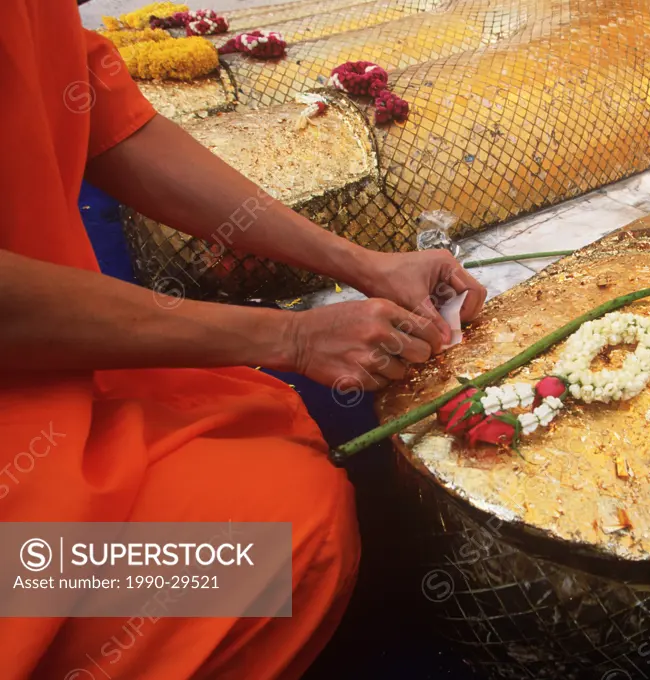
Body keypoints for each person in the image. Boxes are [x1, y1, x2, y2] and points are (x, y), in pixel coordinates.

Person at [0, 2, 487, 678]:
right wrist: (291, 337)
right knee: (275, 542)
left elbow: (109, 126)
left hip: (62, 381)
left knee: (271, 445)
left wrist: (362, 263)